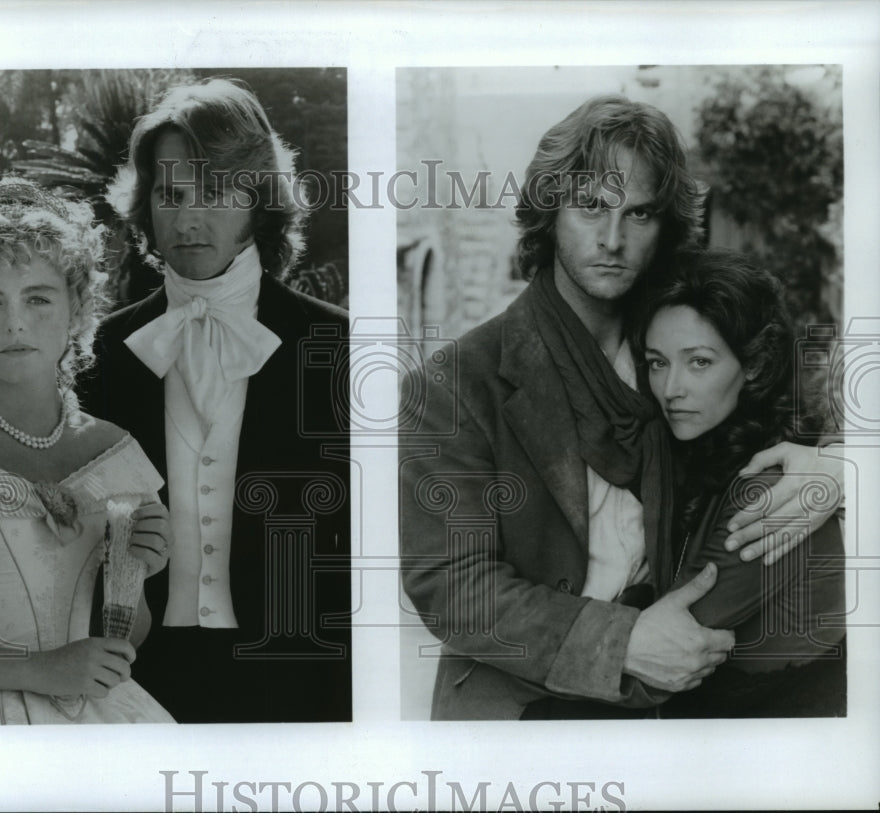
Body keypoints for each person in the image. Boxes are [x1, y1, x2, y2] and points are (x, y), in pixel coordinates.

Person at [399, 94, 845, 720]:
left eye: (639, 213)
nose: (613, 240)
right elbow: (452, 587)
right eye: (591, 207)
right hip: (523, 712)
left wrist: (839, 464)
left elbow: (774, 410)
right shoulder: (454, 384)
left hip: (677, 701)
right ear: (549, 212)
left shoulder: (676, 339)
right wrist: (621, 642)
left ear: (665, 227)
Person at [81, 77, 351, 723]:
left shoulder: (336, 343)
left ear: (258, 200)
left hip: (300, 680)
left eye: (214, 192)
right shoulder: (104, 349)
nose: (188, 219)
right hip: (140, 681)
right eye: (170, 195)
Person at [0, 176, 174, 724]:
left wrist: (138, 569)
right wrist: (38, 669)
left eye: (38, 298)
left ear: (77, 310)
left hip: (97, 718)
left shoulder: (115, 453)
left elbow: (126, 638)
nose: (15, 322)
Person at [634, 248, 845, 717]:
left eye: (699, 362)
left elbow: (670, 636)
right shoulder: (711, 450)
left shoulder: (768, 488)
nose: (671, 389)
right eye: (657, 362)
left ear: (755, 365)